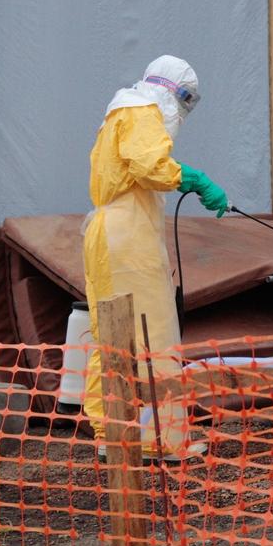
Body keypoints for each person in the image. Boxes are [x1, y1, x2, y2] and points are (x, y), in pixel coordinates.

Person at [82, 55, 229, 461]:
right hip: (128, 239)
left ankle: (113, 433)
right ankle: (161, 438)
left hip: (109, 234)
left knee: (112, 336)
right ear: (172, 93)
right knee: (154, 333)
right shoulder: (143, 112)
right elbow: (150, 165)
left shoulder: (119, 113)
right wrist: (194, 179)